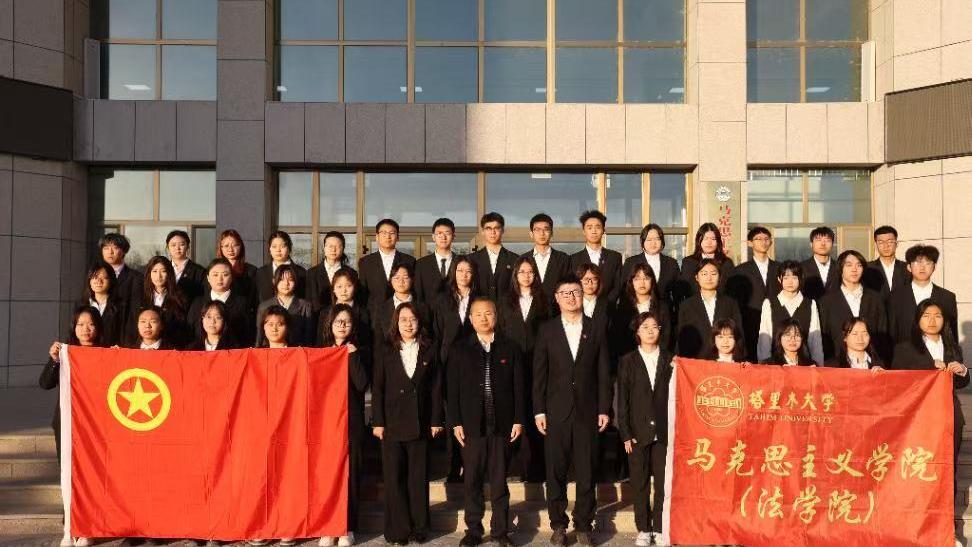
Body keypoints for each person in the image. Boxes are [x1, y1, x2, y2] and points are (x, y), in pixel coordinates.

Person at [533, 276, 611, 546]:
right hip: (555, 412)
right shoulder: (547, 330)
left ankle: (584, 524)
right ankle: (558, 524)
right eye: (564, 293)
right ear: (556, 297)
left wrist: (604, 408)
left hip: (588, 411)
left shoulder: (596, 327)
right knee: (556, 471)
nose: (570, 297)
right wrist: (539, 411)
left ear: (583, 294)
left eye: (575, 292)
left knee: (586, 471)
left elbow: (603, 371)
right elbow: (539, 374)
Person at [448, 298, 525, 547]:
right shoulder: (459, 349)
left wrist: (519, 420)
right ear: (470, 319)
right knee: (472, 481)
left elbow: (519, 388)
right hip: (472, 427)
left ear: (496, 316)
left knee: (499, 482)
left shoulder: (510, 348)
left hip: (502, 426)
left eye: (488, 313)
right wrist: (456, 422)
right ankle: (473, 530)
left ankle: (500, 531)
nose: (484, 318)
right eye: (478, 314)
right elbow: (452, 390)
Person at [372, 303, 443, 546]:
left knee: (418, 477)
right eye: (403, 319)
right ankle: (398, 530)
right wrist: (378, 421)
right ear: (396, 322)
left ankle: (420, 528)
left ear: (419, 322)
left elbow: (436, 388)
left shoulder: (430, 349)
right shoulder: (385, 349)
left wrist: (436, 420)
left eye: (412, 319)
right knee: (394, 478)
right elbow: (378, 387)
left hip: (420, 421)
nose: (408, 324)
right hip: (391, 423)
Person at [891, 300, 968, 524]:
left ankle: (946, 526)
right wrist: (928, 367)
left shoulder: (952, 347)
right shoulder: (905, 348)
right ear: (918, 320)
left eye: (937, 316)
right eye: (926, 315)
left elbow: (961, 383)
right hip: (918, 419)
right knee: (918, 472)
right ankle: (916, 524)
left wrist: (962, 371)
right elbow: (898, 381)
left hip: (948, 416)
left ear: (945, 321)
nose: (932, 320)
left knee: (947, 469)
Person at [40, 306, 103, 547]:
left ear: (98, 328)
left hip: (96, 426)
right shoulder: (66, 353)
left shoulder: (106, 353)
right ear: (73, 328)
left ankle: (87, 526)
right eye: (80, 324)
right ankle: (69, 526)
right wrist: (54, 360)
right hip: (67, 423)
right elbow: (45, 383)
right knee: (69, 472)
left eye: (91, 324)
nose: (86, 329)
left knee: (92, 475)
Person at [616, 311, 673, 547]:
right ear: (637, 332)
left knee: (662, 484)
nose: (650, 331)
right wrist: (625, 433)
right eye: (645, 327)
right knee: (639, 483)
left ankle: (659, 528)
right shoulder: (627, 361)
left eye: (654, 326)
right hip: (637, 432)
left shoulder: (671, 359)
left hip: (664, 431)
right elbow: (622, 400)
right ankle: (643, 528)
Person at [319, 304, 371, 547]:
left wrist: (352, 355)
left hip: (352, 421)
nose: (342, 325)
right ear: (330, 324)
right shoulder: (320, 353)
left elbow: (362, 384)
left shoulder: (359, 352)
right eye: (338, 321)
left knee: (351, 475)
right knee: (327, 476)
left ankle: (347, 527)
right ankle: (328, 526)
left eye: (347, 322)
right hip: (325, 423)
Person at [497, 257, 550, 483]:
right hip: (511, 363)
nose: (526, 276)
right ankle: (513, 467)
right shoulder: (504, 301)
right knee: (513, 414)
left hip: (538, 364)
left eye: (530, 272)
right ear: (515, 275)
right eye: (522, 272)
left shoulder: (545, 300)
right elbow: (499, 332)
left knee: (536, 413)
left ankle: (536, 469)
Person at [432, 256, 479, 483]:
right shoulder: (443, 300)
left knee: (471, 414)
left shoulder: (480, 299)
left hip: (474, 362)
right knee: (452, 416)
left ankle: (471, 465)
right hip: (448, 363)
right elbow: (437, 334)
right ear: (454, 273)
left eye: (468, 271)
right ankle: (453, 465)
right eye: (460, 270)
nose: (464, 275)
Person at [819, 250, 888, 362]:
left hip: (871, 363)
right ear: (840, 268)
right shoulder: (826, 301)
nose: (854, 269)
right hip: (837, 363)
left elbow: (883, 332)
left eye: (859, 265)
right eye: (849, 265)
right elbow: (824, 337)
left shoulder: (875, 299)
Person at [727, 226, 780, 361]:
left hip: (776, 322)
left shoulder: (779, 268)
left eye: (766, 239)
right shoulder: (740, 271)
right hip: (749, 323)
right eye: (758, 239)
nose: (763, 242)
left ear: (771, 242)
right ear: (750, 243)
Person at [756, 260, 824, 365]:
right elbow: (765, 338)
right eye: (786, 278)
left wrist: (819, 366)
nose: (790, 282)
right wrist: (764, 366)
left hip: (803, 363)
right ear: (779, 279)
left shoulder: (810, 304)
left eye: (794, 277)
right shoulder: (769, 303)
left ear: (800, 279)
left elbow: (815, 339)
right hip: (776, 363)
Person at [888, 244, 958, 346]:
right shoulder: (895, 297)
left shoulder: (947, 297)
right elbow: (892, 332)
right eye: (917, 262)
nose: (922, 267)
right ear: (909, 267)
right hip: (905, 353)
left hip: (938, 353)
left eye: (927, 263)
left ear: (934, 267)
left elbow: (952, 333)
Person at [676, 259, 744, 359]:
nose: (709, 278)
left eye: (713, 274)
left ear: (720, 277)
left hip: (724, 360)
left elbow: (739, 333)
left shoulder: (730, 303)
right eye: (704, 274)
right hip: (696, 359)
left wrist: (739, 358)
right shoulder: (686, 305)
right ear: (696, 277)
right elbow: (682, 336)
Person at [188, 259, 255, 345]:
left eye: (225, 275)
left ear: (232, 277)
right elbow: (190, 331)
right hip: (201, 351)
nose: (220, 279)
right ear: (208, 278)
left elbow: (248, 333)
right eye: (215, 275)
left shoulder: (242, 303)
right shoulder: (198, 303)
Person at [129, 256, 189, 348]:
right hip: (142, 347)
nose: (159, 276)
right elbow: (131, 325)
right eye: (154, 271)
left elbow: (181, 328)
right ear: (149, 273)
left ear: (169, 273)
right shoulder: (139, 297)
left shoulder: (179, 298)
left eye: (163, 271)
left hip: (170, 348)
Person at [614, 263, 671, 356]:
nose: (642, 282)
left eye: (646, 278)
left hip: (658, 357)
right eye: (637, 279)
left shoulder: (662, 307)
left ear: (652, 281)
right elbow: (619, 339)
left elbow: (666, 336)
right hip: (629, 358)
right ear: (631, 282)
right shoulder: (623, 308)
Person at [358, 219, 415, 309]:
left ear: (397, 237)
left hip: (402, 311)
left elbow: (413, 290)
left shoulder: (409, 260)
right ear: (377, 237)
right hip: (374, 313)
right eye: (384, 233)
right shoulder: (365, 262)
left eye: (392, 233)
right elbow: (362, 293)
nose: (388, 236)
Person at [621, 223, 681, 308]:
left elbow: (677, 293)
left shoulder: (671, 263)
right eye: (649, 240)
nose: (653, 243)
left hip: (665, 311)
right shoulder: (631, 262)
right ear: (643, 242)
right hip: (636, 310)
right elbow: (624, 290)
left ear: (662, 241)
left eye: (657, 239)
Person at [371, 263, 431, 347]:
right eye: (397, 278)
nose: (401, 282)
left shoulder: (423, 308)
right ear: (390, 280)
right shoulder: (382, 308)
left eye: (405, 277)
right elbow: (378, 340)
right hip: (389, 353)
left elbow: (427, 336)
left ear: (412, 279)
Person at [570, 211, 622, 305]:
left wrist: (604, 305)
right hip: (581, 308)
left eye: (598, 227)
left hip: (608, 308)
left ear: (603, 230)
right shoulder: (573, 259)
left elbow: (617, 286)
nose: (594, 231)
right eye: (589, 227)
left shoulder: (615, 257)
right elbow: (572, 286)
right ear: (583, 231)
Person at [255, 264, 314, 347]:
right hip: (270, 350)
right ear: (274, 281)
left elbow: (309, 336)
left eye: (290, 280)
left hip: (297, 350)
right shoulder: (264, 306)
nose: (286, 283)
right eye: (281, 280)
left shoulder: (305, 305)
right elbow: (259, 336)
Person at [522, 213, 570, 308]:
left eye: (546, 229)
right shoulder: (523, 259)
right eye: (537, 230)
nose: (542, 233)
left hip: (557, 310)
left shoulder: (563, 259)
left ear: (551, 233)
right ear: (531, 234)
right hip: (530, 310)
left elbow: (568, 286)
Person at [318, 267, 372, 349]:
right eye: (339, 286)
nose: (344, 290)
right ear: (333, 289)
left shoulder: (363, 313)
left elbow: (366, 342)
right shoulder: (325, 312)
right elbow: (319, 342)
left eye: (348, 286)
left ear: (355, 287)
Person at [469, 212, 518, 302]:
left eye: (497, 228)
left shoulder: (514, 259)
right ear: (482, 231)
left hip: (507, 309)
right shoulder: (471, 259)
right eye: (488, 228)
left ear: (502, 230)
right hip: (480, 309)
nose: (493, 232)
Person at [679, 222, 735, 296]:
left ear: (718, 241)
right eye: (705, 239)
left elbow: (731, 289)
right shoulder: (689, 262)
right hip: (695, 301)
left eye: (713, 239)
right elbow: (685, 288)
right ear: (699, 240)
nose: (709, 242)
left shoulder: (726, 263)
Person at [77, 261, 125, 347]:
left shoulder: (121, 306)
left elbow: (124, 334)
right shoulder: (81, 304)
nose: (99, 281)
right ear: (89, 280)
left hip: (111, 351)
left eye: (104, 278)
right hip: (85, 351)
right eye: (95, 277)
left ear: (111, 281)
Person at [306, 231, 353, 314]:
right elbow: (309, 301)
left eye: (337, 246)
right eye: (330, 246)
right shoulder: (312, 273)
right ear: (324, 248)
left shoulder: (351, 273)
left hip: (344, 318)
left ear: (343, 248)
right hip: (317, 318)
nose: (333, 249)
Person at [415, 218, 459, 304]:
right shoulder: (421, 264)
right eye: (439, 233)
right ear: (433, 237)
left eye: (447, 233)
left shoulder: (461, 262)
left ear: (453, 236)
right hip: (428, 312)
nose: (443, 237)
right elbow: (418, 295)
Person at [255, 230, 307, 303]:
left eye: (282, 246)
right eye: (274, 246)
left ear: (289, 248)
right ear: (269, 249)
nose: (278, 250)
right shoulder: (261, 273)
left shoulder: (301, 272)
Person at [216, 229, 259, 310]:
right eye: (226, 246)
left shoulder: (252, 271)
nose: (230, 249)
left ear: (241, 246)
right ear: (220, 248)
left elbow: (255, 299)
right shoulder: (214, 269)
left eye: (235, 245)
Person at [863, 225, 910, 298]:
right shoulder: (867, 268)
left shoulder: (908, 268)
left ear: (897, 244)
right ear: (876, 245)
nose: (886, 246)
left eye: (890, 242)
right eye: (881, 242)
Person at [98, 233, 142, 310]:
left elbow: (135, 308)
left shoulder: (136, 278)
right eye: (106, 248)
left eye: (115, 248)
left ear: (124, 251)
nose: (110, 252)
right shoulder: (94, 275)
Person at [166, 229, 208, 304]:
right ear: (168, 248)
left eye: (182, 244)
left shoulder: (199, 271)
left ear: (188, 246)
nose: (177, 248)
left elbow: (203, 296)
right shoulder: (163, 268)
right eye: (173, 245)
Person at [800, 227, 839, 302]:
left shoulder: (840, 268)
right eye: (818, 240)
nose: (823, 244)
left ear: (832, 244)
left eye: (827, 240)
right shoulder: (801, 268)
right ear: (811, 244)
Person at [576, 263, 613, 338]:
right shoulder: (572, 304)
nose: (590, 283)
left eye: (594, 279)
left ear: (599, 281)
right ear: (579, 281)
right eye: (586, 279)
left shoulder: (608, 306)